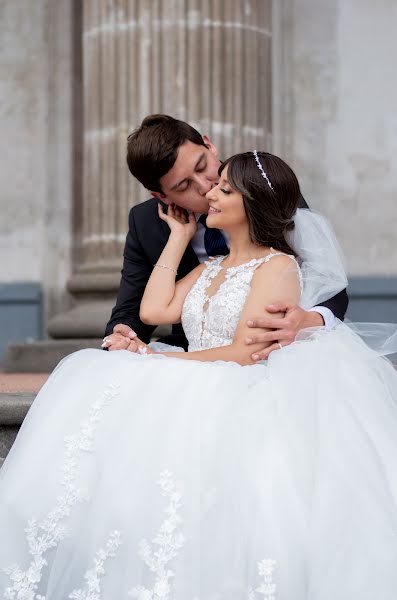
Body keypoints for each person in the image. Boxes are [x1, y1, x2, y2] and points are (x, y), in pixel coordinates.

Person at [1, 151, 396, 599]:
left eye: (224, 189)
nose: (210, 193)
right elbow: (153, 309)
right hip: (201, 373)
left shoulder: (277, 266)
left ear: (251, 204)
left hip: (238, 388)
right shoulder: (211, 268)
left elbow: (245, 354)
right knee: (93, 371)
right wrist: (177, 237)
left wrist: (155, 360)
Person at [103, 114, 348, 358]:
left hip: (264, 357)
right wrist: (123, 338)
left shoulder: (262, 187)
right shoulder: (148, 223)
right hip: (189, 351)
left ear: (209, 146)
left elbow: (330, 283)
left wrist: (309, 320)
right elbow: (136, 311)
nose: (206, 188)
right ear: (162, 197)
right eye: (183, 186)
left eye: (202, 167)